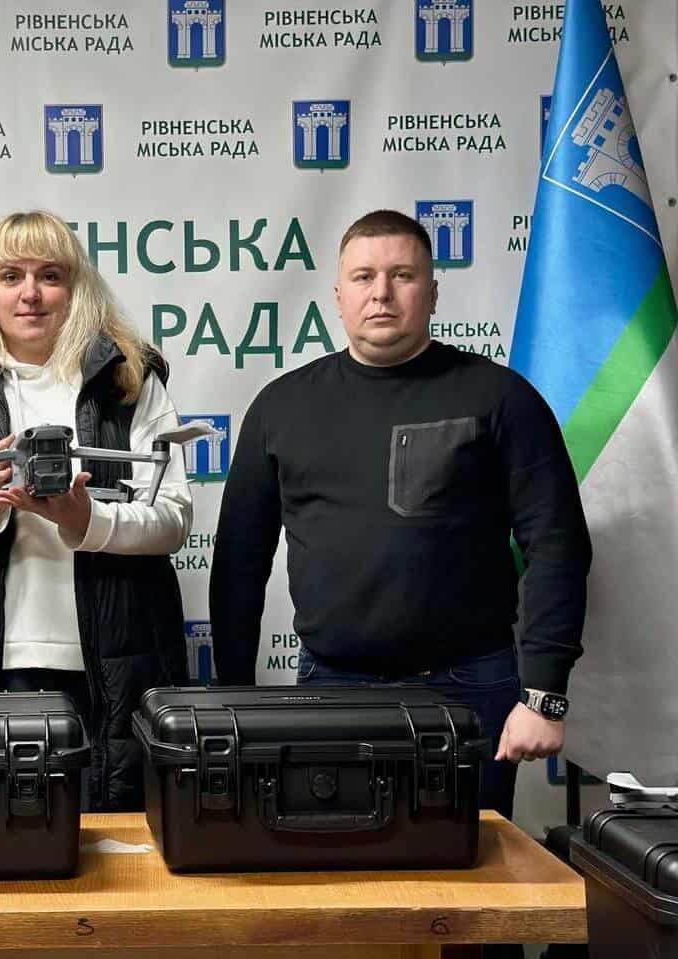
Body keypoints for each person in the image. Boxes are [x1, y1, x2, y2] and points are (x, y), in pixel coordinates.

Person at [210, 209, 592, 822]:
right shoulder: (282, 407)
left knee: (471, 867)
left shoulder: (499, 397)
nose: (381, 293)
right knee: (339, 866)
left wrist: (544, 694)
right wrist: (232, 694)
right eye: (363, 277)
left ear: (433, 292)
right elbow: (238, 561)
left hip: (471, 689)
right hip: (331, 690)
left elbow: (558, 543)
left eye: (402, 275)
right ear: (339, 295)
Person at [0, 210, 192, 811]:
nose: (30, 293)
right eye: (11, 276)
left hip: (116, 662)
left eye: (50, 276)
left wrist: (85, 521)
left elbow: (174, 519)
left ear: (76, 289)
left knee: (121, 843)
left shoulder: (129, 381)